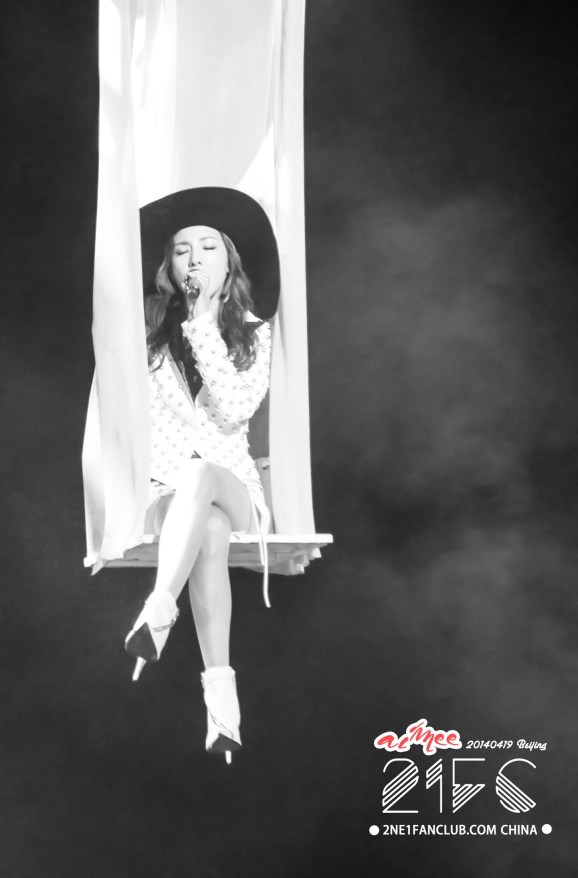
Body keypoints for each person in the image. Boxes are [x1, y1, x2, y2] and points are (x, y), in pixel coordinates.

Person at [124, 187, 280, 764]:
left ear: (229, 262)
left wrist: (203, 322)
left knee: (203, 480)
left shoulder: (255, 331)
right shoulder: (143, 329)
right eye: (181, 250)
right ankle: (221, 696)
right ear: (168, 267)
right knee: (206, 530)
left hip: (232, 485)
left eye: (208, 247)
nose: (194, 259)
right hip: (165, 491)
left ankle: (159, 607)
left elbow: (236, 409)